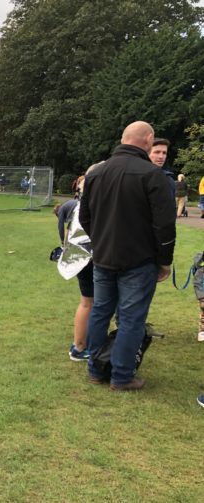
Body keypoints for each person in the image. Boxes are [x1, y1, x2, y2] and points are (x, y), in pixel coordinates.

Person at [79, 121, 175, 391]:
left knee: (100, 311)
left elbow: (85, 216)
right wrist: (164, 259)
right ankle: (121, 375)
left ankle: (95, 369)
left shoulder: (97, 173)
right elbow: (164, 224)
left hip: (104, 256)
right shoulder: (152, 175)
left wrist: (100, 239)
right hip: (139, 259)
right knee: (131, 318)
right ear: (148, 140)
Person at [54, 171, 99, 362]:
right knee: (89, 302)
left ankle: (81, 345)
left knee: (88, 302)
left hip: (79, 257)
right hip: (88, 258)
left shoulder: (79, 204)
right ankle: (80, 347)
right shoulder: (91, 205)